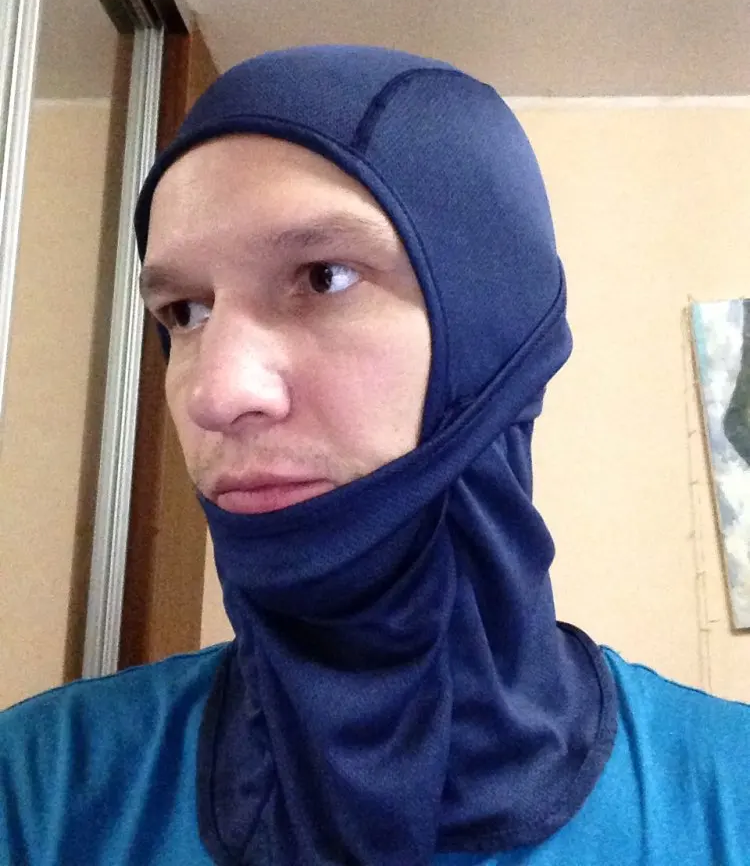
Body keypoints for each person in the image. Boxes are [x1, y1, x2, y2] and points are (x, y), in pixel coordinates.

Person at [1, 45, 749, 866]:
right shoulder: (41, 789)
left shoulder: (729, 795)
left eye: (323, 277)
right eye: (184, 312)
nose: (215, 393)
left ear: (492, 337)